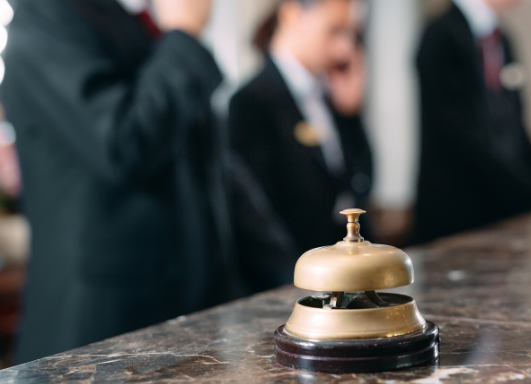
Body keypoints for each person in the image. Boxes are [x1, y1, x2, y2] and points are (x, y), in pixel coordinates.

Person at [1, 0, 236, 363]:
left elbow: (202, 164)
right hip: (103, 328)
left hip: (177, 305)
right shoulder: (45, 17)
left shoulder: (116, 17)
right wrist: (185, 34)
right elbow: (124, 144)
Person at [412, 0, 531, 244]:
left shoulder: (502, 39)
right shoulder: (441, 36)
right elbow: (460, 141)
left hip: (503, 218)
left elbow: (517, 137)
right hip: (458, 223)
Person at [229, 0, 372, 279]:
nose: (345, 49)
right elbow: (257, 216)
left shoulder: (332, 95)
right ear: (292, 14)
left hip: (345, 270)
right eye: (334, 30)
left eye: (352, 35)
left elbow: (357, 184)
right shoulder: (250, 102)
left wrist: (351, 116)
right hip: (296, 276)